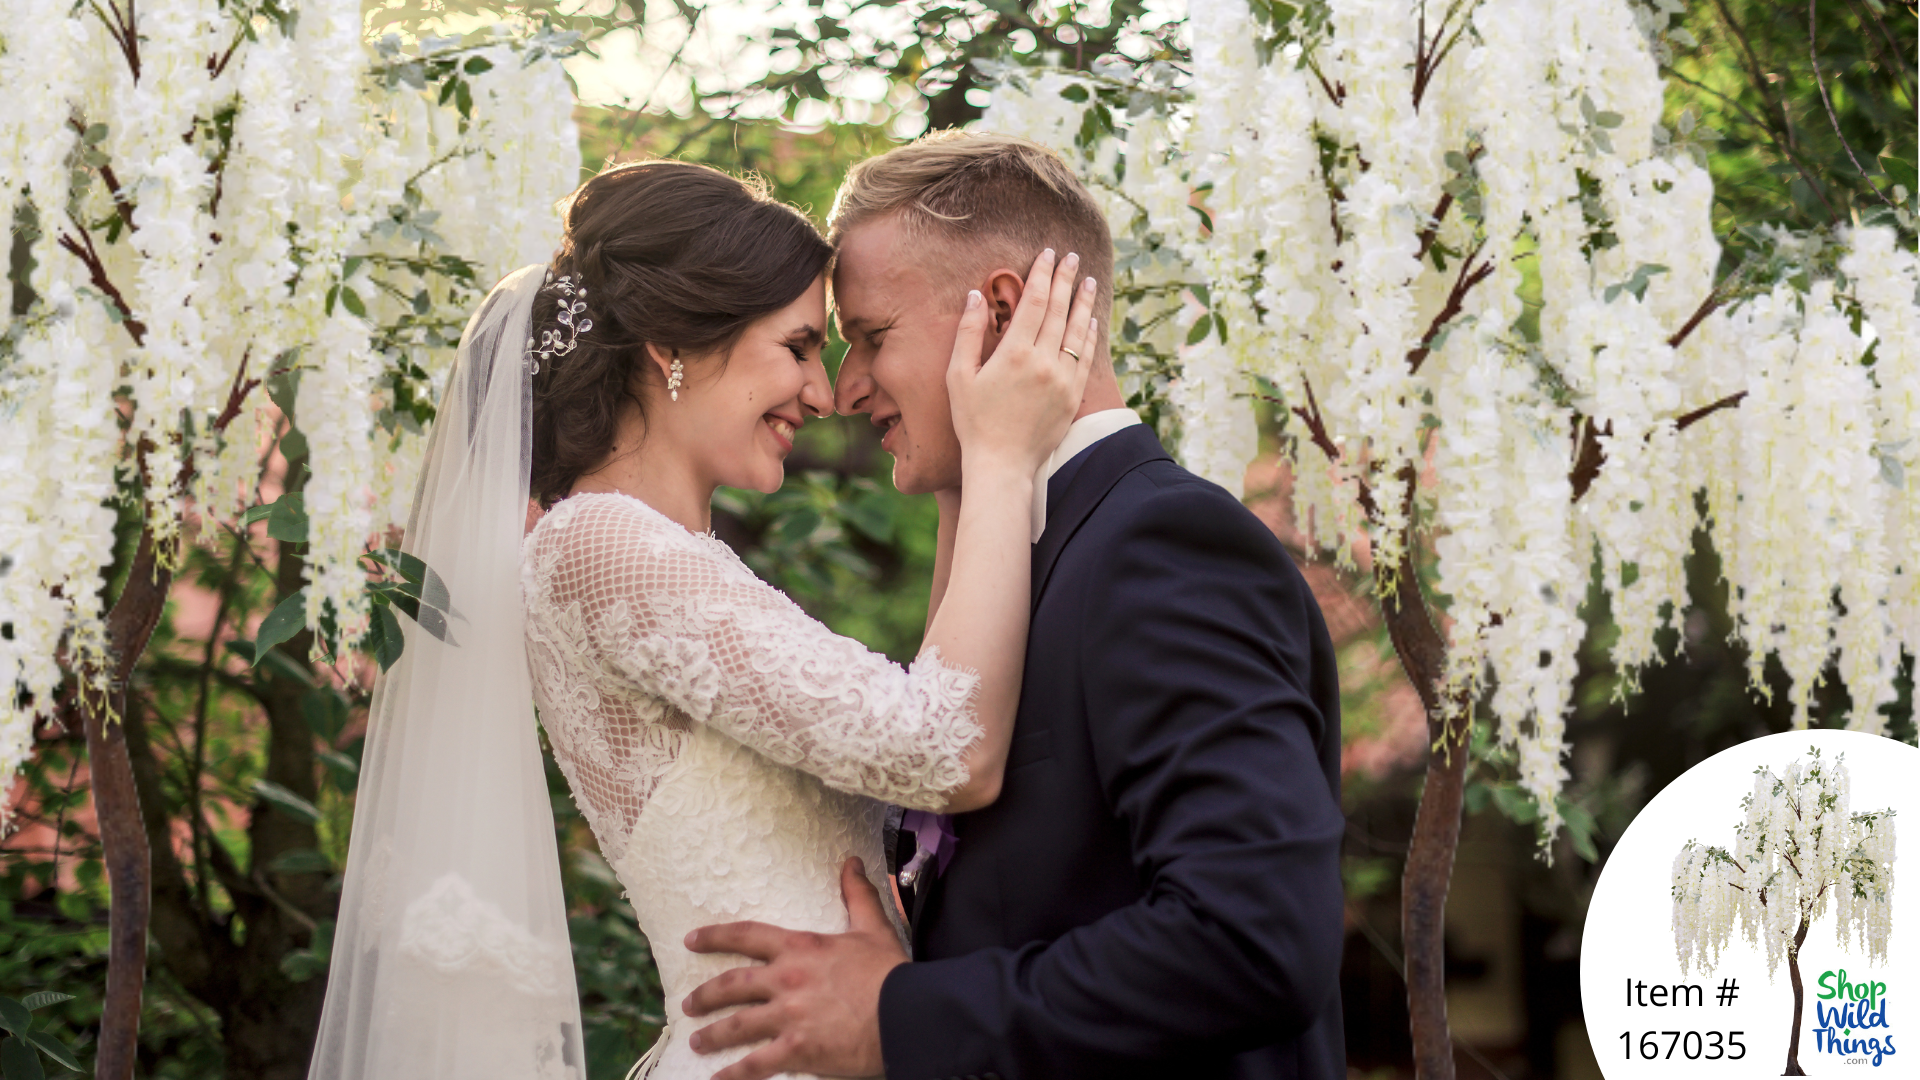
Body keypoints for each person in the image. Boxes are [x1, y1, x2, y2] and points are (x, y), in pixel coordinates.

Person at [306, 160, 1099, 1080]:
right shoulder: (602, 547)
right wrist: (1001, 456)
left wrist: (963, 458)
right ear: (671, 346)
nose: (820, 391)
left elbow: (926, 733)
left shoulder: (668, 556)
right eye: (798, 347)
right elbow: (945, 750)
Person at [678, 132, 1349, 1080]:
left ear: (999, 311)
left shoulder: (1161, 549)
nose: (845, 388)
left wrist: (899, 1017)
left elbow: (1255, 937)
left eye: (872, 336)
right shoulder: (1024, 552)